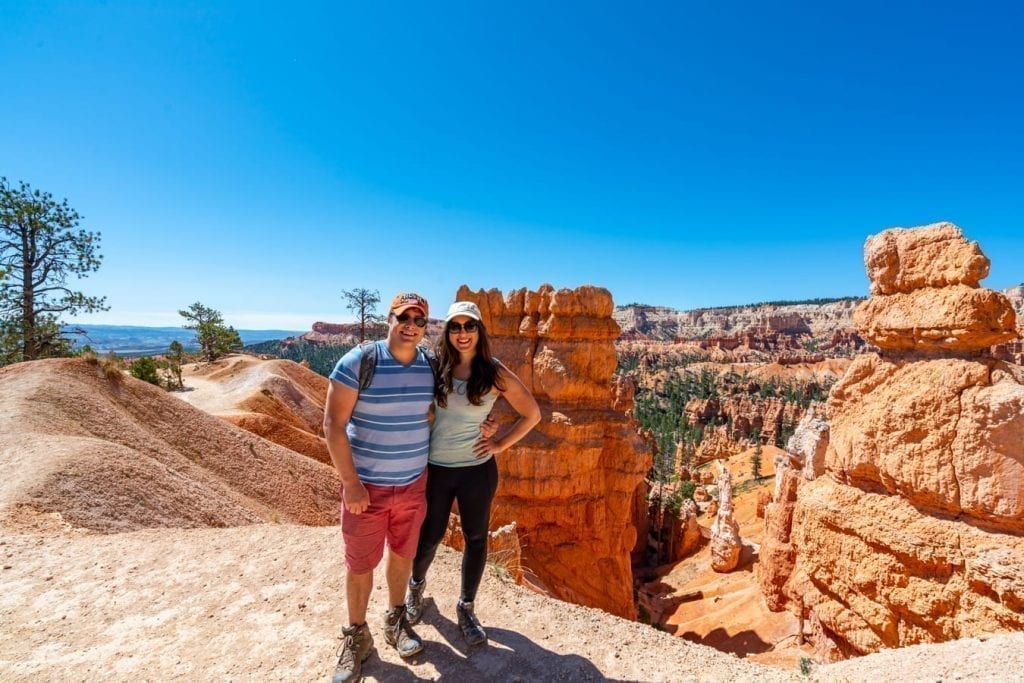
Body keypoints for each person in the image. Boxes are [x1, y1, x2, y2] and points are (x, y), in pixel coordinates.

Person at [404, 300, 541, 646]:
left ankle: (466, 607)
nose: (462, 333)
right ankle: (415, 589)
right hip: (436, 468)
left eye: (469, 326)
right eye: (455, 326)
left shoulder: (493, 372)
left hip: (477, 470)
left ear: (480, 331)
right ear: (447, 331)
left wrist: (499, 444)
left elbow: (532, 414)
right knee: (430, 536)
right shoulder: (436, 367)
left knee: (476, 539)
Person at [324, 292, 436, 683]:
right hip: (366, 490)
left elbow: (440, 412)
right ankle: (357, 636)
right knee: (359, 565)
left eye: (419, 319)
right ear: (388, 319)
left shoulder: (430, 365)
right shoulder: (359, 361)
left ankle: (394, 619)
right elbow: (333, 425)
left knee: (402, 557)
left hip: (412, 486)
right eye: (403, 317)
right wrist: (351, 484)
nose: (411, 325)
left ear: (426, 325)